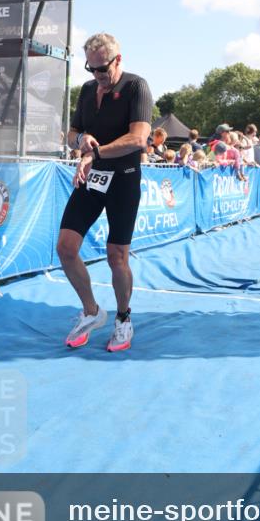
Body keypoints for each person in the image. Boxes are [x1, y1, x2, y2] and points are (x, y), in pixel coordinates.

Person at [57, 33, 153, 353]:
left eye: (102, 69)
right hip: (92, 177)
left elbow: (139, 139)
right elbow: (71, 135)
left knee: (116, 256)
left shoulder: (136, 87)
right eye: (91, 69)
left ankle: (123, 318)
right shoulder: (86, 90)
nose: (97, 75)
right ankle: (92, 311)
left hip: (124, 179)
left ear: (118, 60)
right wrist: (81, 139)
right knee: (66, 248)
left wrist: (94, 154)